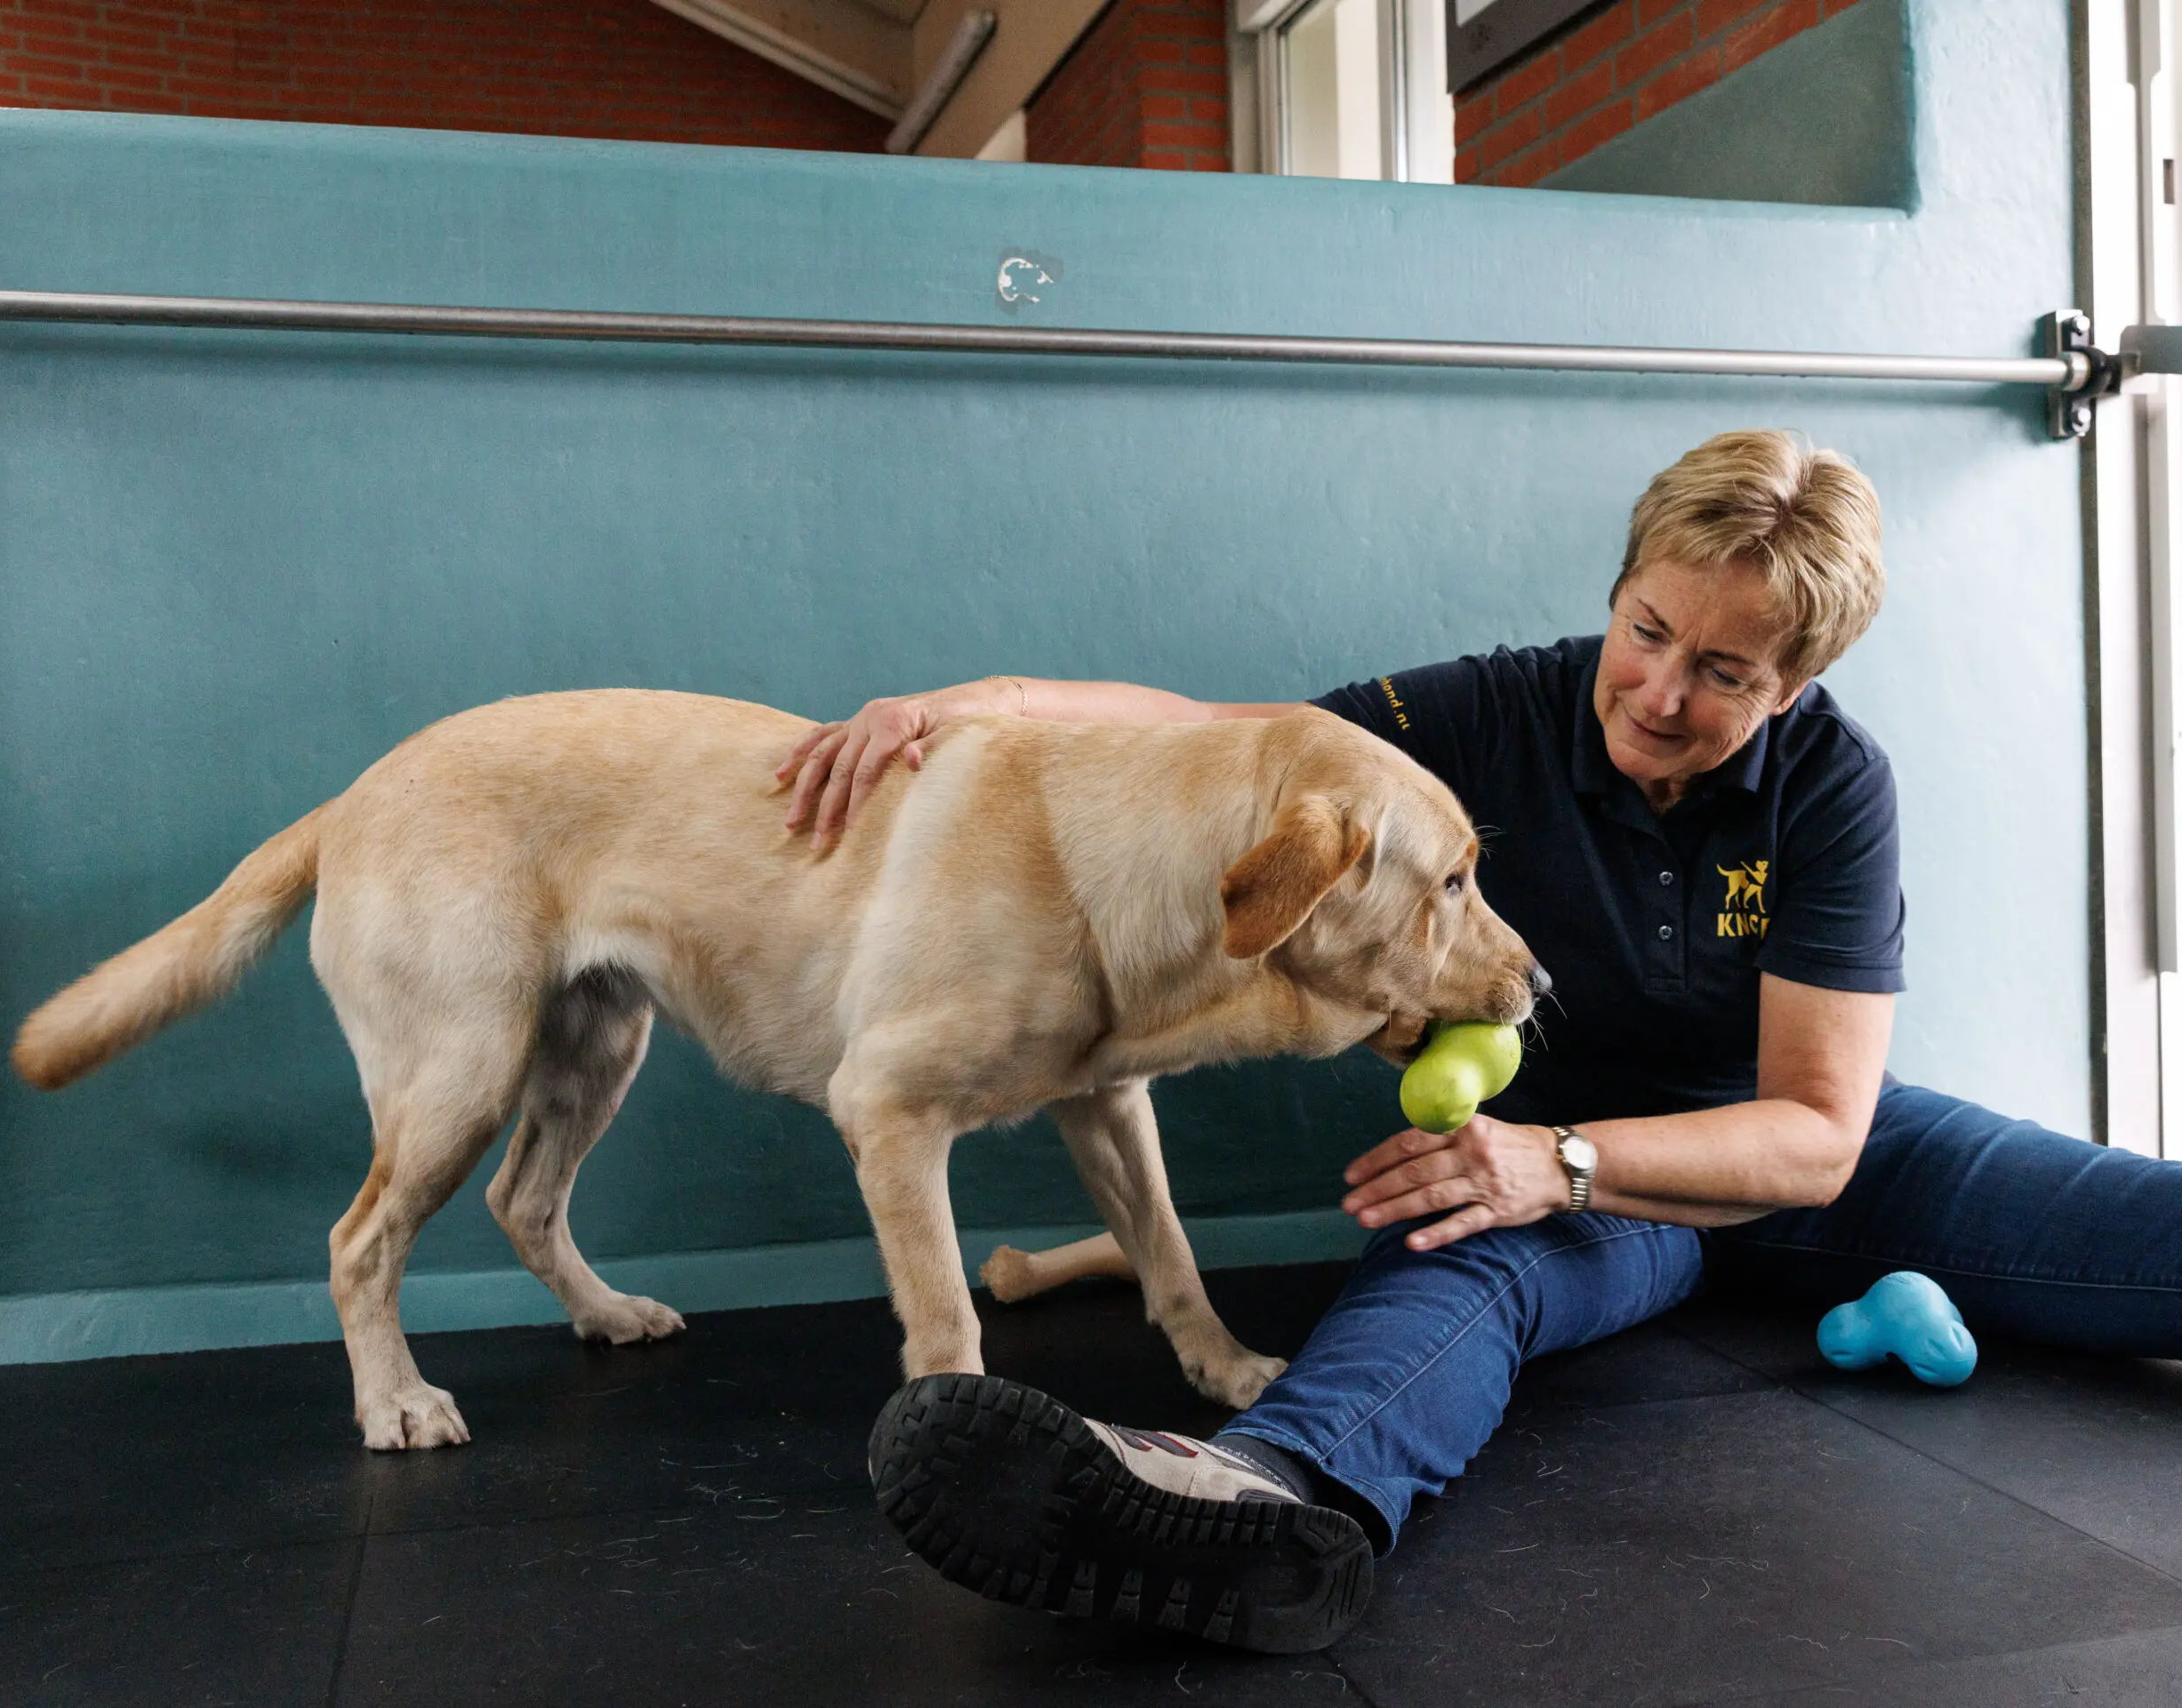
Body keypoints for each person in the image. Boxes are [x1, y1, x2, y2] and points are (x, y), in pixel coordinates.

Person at [780, 430, 2182, 1654]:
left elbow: (1817, 1137)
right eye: (1646, 630)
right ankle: (1243, 1507)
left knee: (2131, 1225)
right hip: (1531, 1172)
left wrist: (1560, 1162)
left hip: (1754, 1149)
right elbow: (1215, 732)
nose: (1659, 692)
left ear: (1797, 683)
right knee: (1442, 1292)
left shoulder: (1833, 788)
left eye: (1724, 674)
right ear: (1620, 592)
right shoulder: (1487, 709)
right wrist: (971, 708)